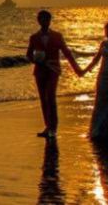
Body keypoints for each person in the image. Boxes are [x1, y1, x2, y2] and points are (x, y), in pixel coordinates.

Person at [26, 10, 83, 138]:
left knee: (50, 97)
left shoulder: (57, 36)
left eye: (46, 19)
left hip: (53, 70)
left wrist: (76, 69)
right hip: (39, 71)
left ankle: (53, 128)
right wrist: (36, 59)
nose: (44, 21)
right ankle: (47, 126)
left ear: (50, 20)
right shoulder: (34, 37)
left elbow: (67, 53)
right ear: (38, 21)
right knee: (43, 99)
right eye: (41, 19)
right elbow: (28, 54)